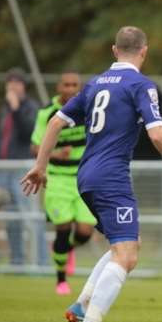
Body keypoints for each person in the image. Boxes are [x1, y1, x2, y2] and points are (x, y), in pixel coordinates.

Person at [21, 26, 162, 322]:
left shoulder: (95, 84)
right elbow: (158, 134)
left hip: (86, 175)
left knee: (129, 244)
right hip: (111, 178)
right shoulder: (141, 85)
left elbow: (55, 122)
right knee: (127, 256)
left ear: (114, 50)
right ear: (144, 51)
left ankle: (81, 306)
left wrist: (40, 165)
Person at [31, 71, 97, 295]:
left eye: (74, 85)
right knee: (63, 228)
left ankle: (65, 250)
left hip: (83, 177)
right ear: (59, 87)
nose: (70, 89)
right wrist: (56, 154)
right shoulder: (47, 113)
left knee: (85, 232)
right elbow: (34, 146)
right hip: (57, 179)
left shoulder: (87, 109)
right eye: (66, 84)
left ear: (79, 88)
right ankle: (61, 280)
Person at [0, 68, 47, 266]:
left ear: (23, 86)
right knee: (12, 219)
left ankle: (42, 263)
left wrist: (17, 108)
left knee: (30, 217)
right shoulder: (5, 110)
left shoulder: (30, 107)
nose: (12, 87)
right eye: (9, 83)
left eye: (16, 83)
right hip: (4, 170)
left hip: (22, 170)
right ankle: (17, 261)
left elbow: (30, 132)